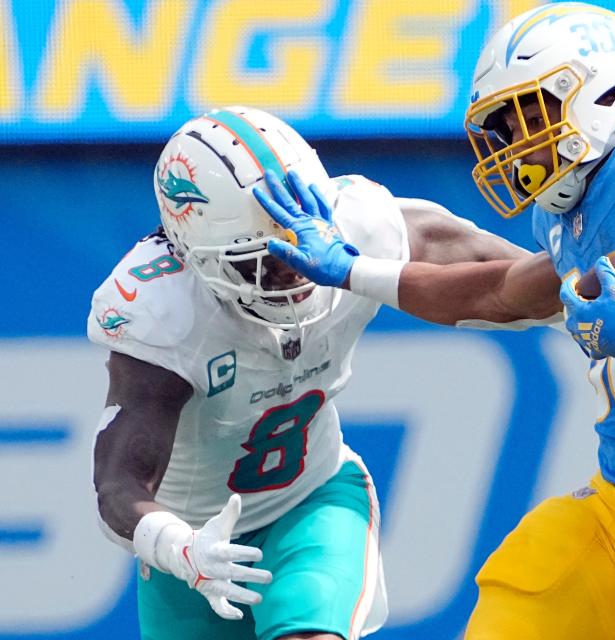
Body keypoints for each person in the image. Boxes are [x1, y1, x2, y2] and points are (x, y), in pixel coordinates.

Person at [255, 3, 615, 638]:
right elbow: (488, 293)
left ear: (600, 90)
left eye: (528, 115)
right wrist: (351, 269)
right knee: (522, 591)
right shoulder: (570, 218)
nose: (516, 143)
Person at [87, 105, 538, 640]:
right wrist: (178, 547)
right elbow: (118, 484)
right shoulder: (163, 311)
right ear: (199, 257)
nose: (296, 275)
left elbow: (507, 279)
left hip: (312, 500)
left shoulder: (359, 222)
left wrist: (584, 299)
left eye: (302, 244)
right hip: (193, 539)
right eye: (264, 261)